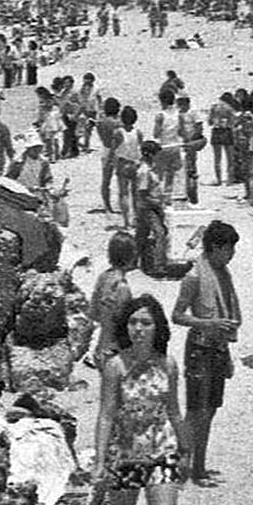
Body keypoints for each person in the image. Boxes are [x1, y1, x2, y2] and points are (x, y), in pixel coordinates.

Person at [92, 295, 190, 505]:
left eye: (145, 322)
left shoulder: (168, 365)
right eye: (133, 322)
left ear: (157, 327)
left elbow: (174, 411)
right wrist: (100, 461)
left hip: (162, 453)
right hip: (124, 456)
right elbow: (106, 415)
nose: (138, 328)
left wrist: (186, 451)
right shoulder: (116, 367)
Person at [172, 220, 241, 484]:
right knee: (195, 412)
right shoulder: (194, 276)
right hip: (199, 348)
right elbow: (177, 315)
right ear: (215, 247)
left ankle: (198, 467)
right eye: (229, 249)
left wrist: (228, 354)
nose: (232, 255)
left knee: (210, 410)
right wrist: (207, 323)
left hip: (218, 348)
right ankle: (182, 468)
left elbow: (226, 315)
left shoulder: (222, 273)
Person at [87, 231, 137, 372]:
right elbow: (125, 324)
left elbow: (93, 313)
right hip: (116, 351)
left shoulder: (104, 277)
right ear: (131, 256)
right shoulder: (122, 288)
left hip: (101, 348)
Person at [134, 141, 170, 277]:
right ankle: (158, 266)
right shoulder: (144, 171)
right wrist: (159, 203)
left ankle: (133, 261)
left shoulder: (149, 169)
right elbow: (143, 194)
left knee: (141, 235)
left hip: (147, 207)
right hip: (148, 208)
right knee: (160, 233)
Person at [114, 106, 143, 230]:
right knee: (135, 193)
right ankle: (136, 219)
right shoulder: (138, 132)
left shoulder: (118, 132)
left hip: (123, 163)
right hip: (135, 163)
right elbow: (140, 148)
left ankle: (126, 221)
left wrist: (111, 162)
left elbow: (113, 149)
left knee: (124, 193)